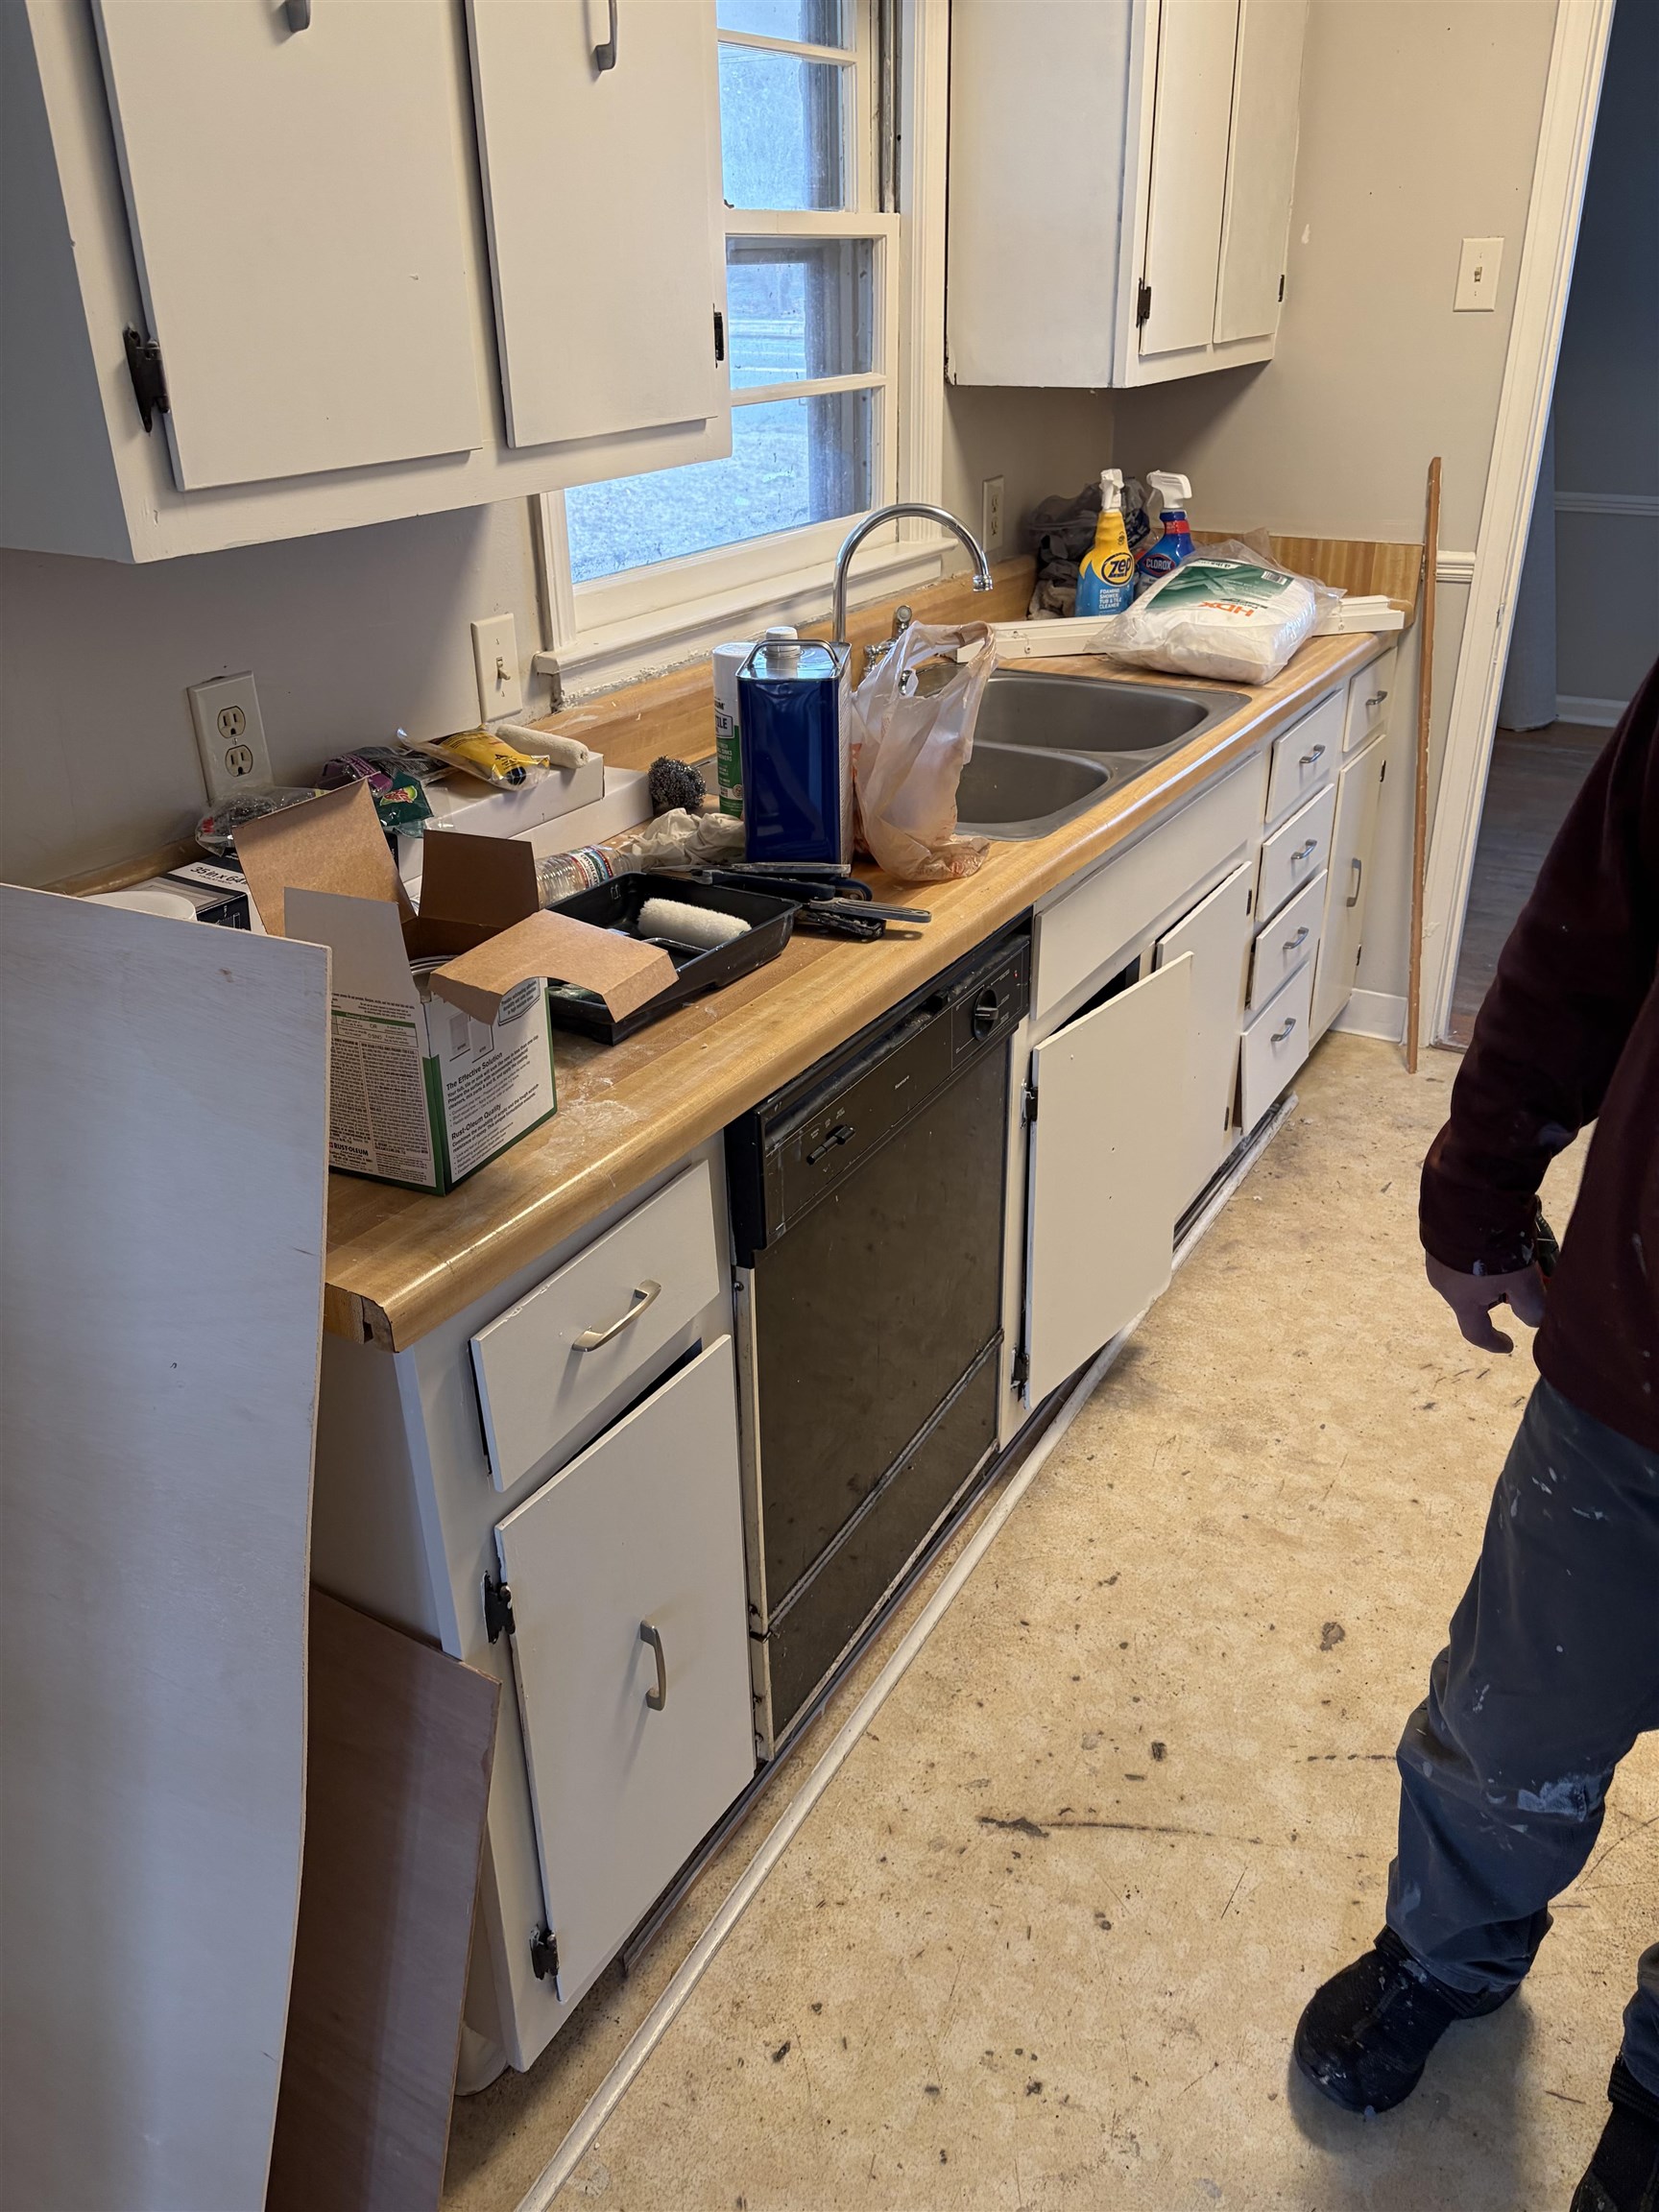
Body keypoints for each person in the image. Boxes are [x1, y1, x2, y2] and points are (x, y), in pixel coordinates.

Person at [1292, 655, 1659, 2212]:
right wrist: (1477, 1184)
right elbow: (1594, 923)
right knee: (1508, 1721)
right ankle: (1447, 1952)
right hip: (1641, 1360)